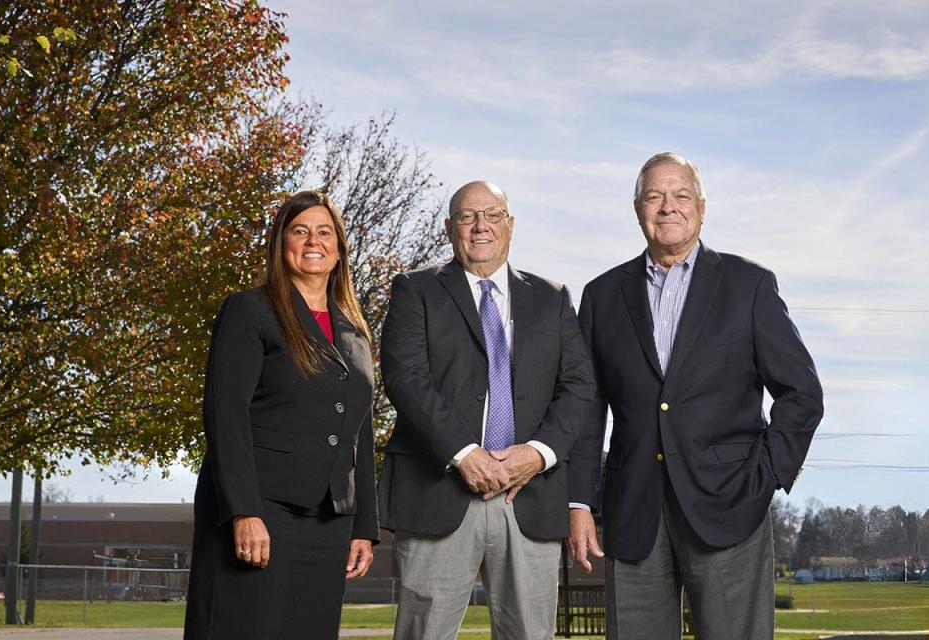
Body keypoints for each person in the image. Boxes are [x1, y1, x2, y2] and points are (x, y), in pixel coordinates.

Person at [568, 152, 824, 639]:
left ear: (702, 207)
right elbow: (585, 410)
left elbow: (802, 393)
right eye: (655, 196)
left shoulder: (748, 285)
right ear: (637, 208)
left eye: (681, 195)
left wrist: (766, 474)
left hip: (731, 504)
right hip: (632, 508)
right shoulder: (601, 296)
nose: (669, 206)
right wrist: (579, 501)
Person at [377, 180, 595, 640]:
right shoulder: (415, 290)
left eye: (493, 215)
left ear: (510, 225)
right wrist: (464, 454)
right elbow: (405, 378)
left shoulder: (551, 297)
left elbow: (579, 387)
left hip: (530, 497)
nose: (481, 227)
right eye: (467, 216)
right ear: (448, 227)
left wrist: (536, 454)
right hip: (440, 491)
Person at [184, 191, 378, 639]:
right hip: (261, 513)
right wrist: (244, 512)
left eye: (325, 232)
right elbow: (225, 418)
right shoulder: (250, 311)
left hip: (329, 522)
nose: (314, 241)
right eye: (300, 230)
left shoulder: (354, 332)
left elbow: (358, 433)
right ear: (281, 243)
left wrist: (363, 526)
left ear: (339, 247)